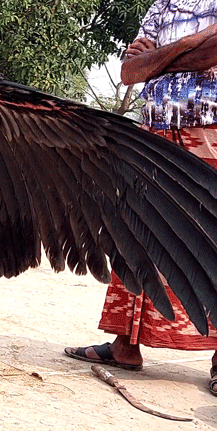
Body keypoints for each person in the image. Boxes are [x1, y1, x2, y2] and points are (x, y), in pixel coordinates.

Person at [65, 0, 217, 395]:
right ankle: (125, 344)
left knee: (210, 237)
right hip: (153, 133)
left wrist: (160, 58)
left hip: (209, 130)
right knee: (136, 232)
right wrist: (193, 41)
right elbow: (131, 71)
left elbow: (211, 56)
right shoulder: (162, 5)